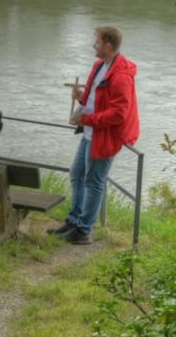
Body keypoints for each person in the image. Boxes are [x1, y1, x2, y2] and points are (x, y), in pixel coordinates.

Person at [55, 25, 139, 244]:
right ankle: (75, 220)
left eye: (97, 42)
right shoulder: (99, 65)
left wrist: (87, 119)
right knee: (76, 174)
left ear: (108, 46)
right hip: (91, 131)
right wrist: (82, 96)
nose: (94, 45)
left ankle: (83, 230)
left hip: (105, 135)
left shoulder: (121, 76)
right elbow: (96, 98)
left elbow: (119, 114)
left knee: (94, 181)